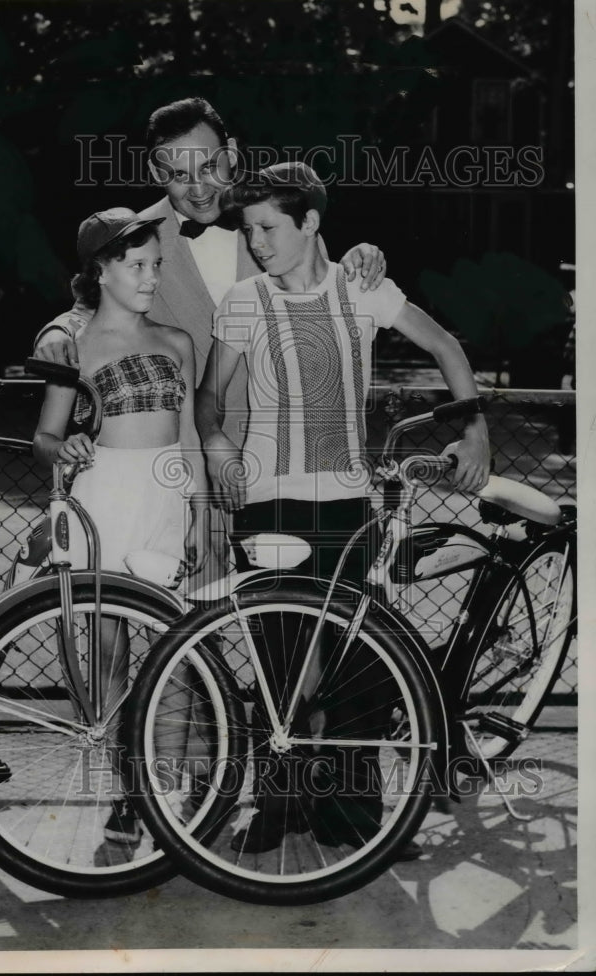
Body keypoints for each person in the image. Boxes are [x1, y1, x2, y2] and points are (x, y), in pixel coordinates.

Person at [196, 162, 491, 855]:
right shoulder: (241, 300)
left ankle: (352, 820)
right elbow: (210, 395)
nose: (256, 241)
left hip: (348, 509)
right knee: (281, 666)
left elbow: (445, 345)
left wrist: (472, 426)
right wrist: (214, 443)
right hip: (267, 506)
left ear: (309, 224)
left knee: (360, 669)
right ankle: (278, 804)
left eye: (268, 226)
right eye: (247, 229)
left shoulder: (361, 289)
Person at [32, 97, 387, 583]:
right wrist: (56, 332)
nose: (197, 188)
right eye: (178, 173)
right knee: (192, 632)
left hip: (290, 468)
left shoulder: (280, 217)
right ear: (157, 172)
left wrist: (363, 258)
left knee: (303, 622)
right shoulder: (140, 240)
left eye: (209, 165)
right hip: (188, 469)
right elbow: (90, 304)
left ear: (233, 154)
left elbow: (326, 291)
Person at [33, 207, 209, 845]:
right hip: (107, 500)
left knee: (180, 655)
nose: (150, 278)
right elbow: (46, 438)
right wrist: (67, 450)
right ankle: (125, 793)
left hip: (167, 505)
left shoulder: (176, 343)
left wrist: (200, 510)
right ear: (99, 272)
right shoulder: (74, 346)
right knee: (110, 657)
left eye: (156, 266)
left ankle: (168, 794)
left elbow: (188, 437)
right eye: (135, 266)